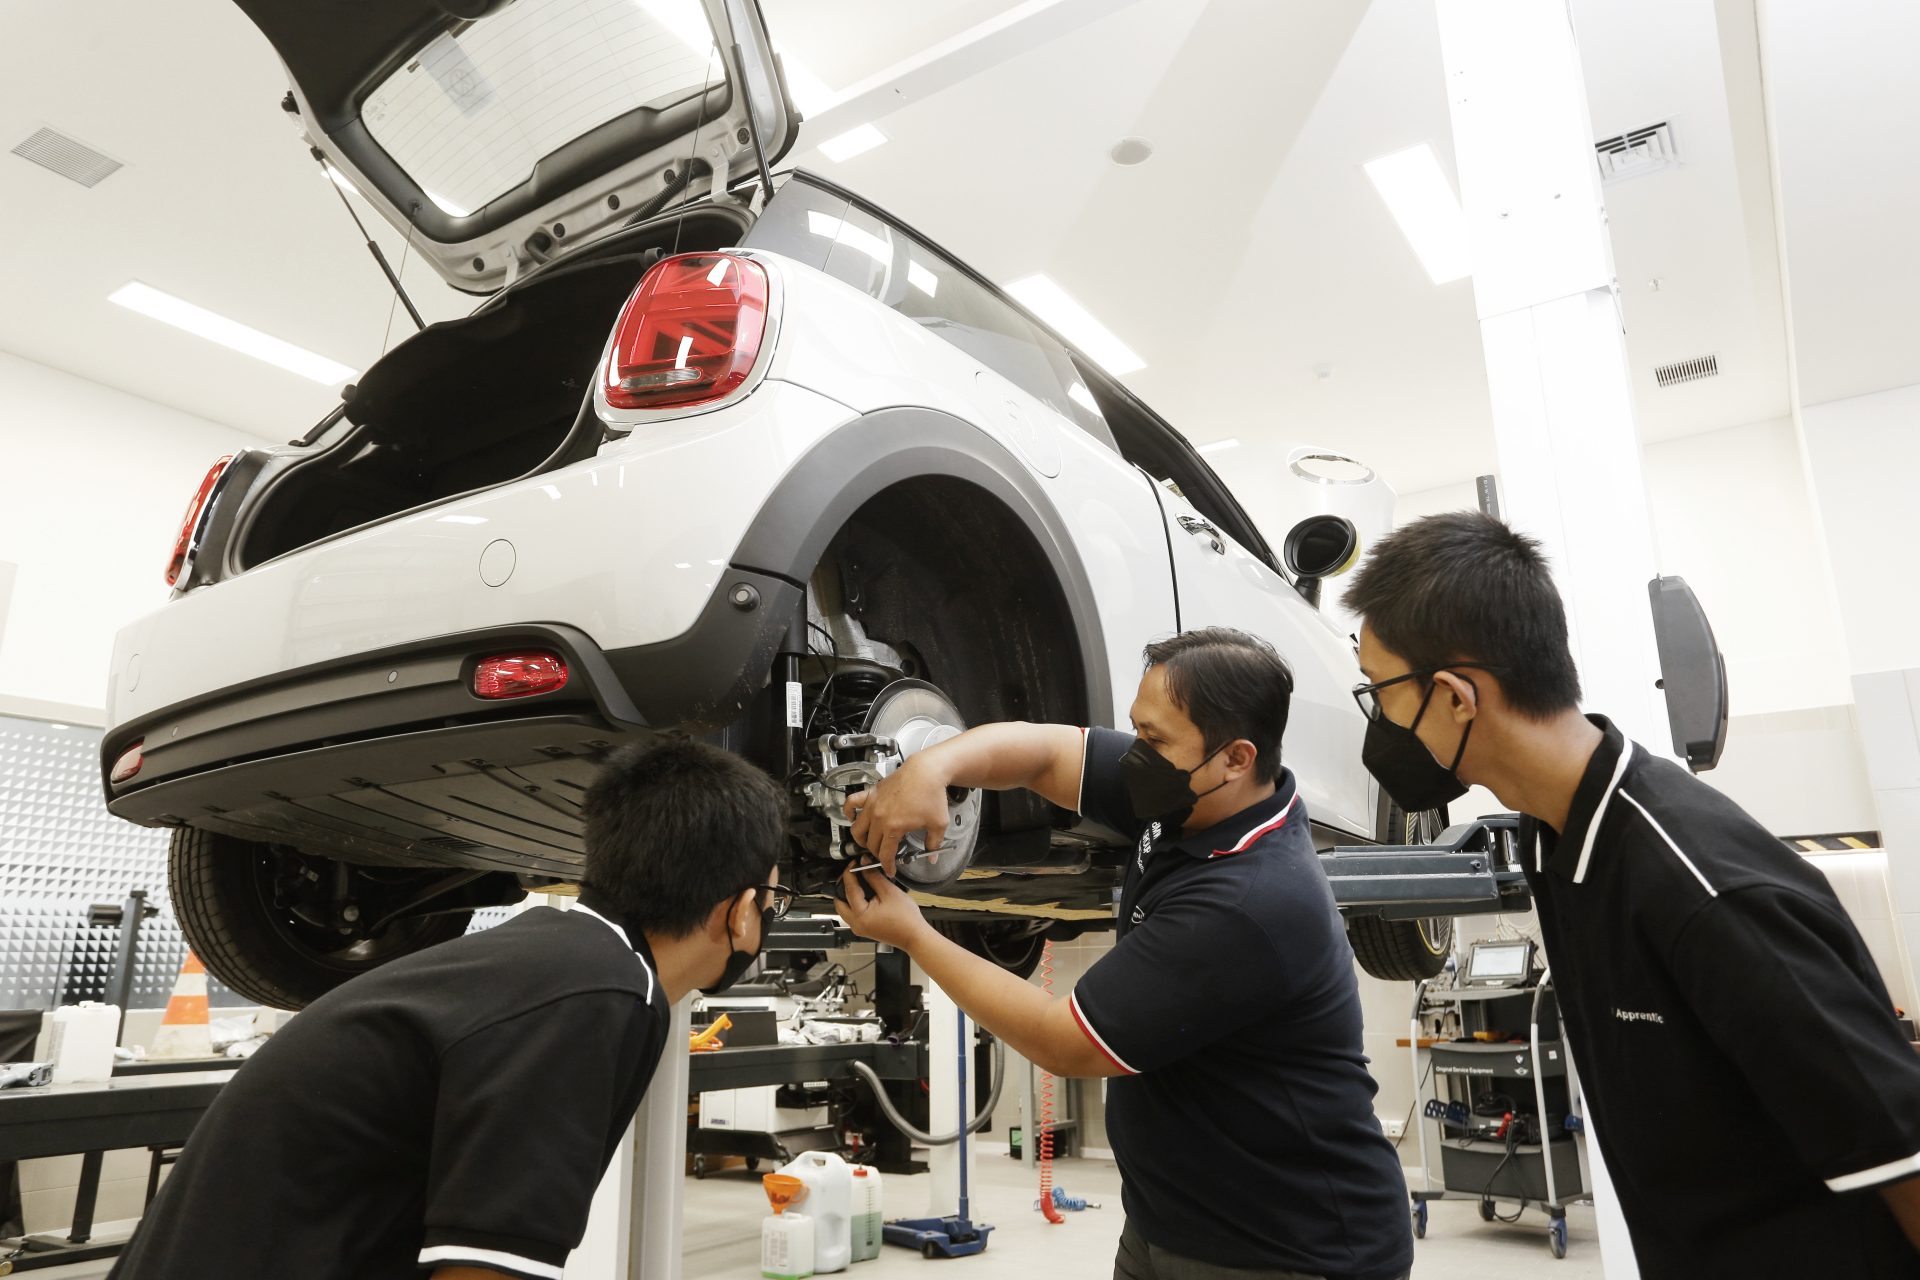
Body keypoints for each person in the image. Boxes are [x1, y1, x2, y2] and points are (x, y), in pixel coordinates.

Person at [1343, 511, 1920, 1276]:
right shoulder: (1557, 839)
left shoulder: (1701, 887)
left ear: (1455, 696)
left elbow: (1901, 1158)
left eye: (1379, 692)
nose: (1377, 722)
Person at [838, 627, 1413, 1280]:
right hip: (1169, 1223)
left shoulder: (1251, 898)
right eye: (1139, 730)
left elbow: (1065, 1042)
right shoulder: (1189, 796)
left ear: (1236, 757)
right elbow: (1046, 752)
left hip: (1292, 1249)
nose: (1136, 751)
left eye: (1155, 739)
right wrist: (932, 765)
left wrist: (915, 935)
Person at [110, 739, 792, 1280]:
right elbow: (483, 1271)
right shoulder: (599, 993)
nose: (767, 918)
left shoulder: (564, 960)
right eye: (771, 900)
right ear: (736, 913)